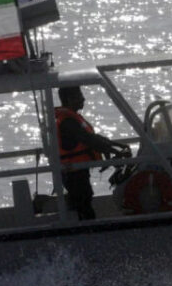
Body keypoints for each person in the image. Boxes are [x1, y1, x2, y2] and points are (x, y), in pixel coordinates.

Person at [55, 86, 129, 220]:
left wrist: (115, 145)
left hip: (76, 171)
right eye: (79, 96)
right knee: (83, 201)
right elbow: (88, 139)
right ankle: (88, 228)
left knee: (83, 199)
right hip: (73, 173)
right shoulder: (68, 121)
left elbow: (92, 137)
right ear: (69, 99)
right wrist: (113, 151)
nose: (83, 99)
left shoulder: (70, 117)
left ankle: (85, 224)